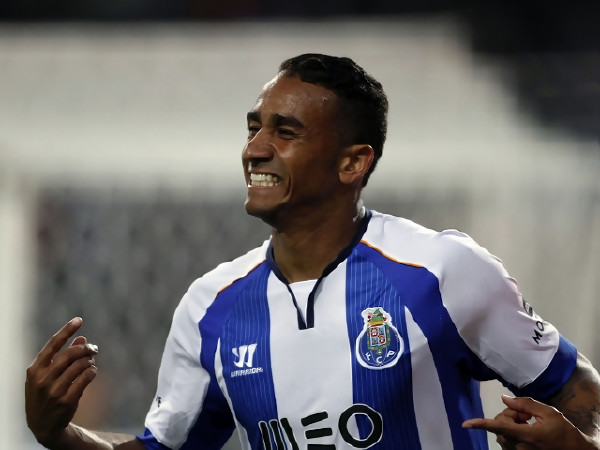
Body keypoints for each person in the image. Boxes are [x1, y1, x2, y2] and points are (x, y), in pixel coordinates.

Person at [26, 54, 600, 450]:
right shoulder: (210, 307)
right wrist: (59, 434)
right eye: (254, 128)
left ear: (353, 162)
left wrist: (579, 443)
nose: (255, 149)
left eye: (286, 132)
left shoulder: (441, 272)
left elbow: (579, 393)